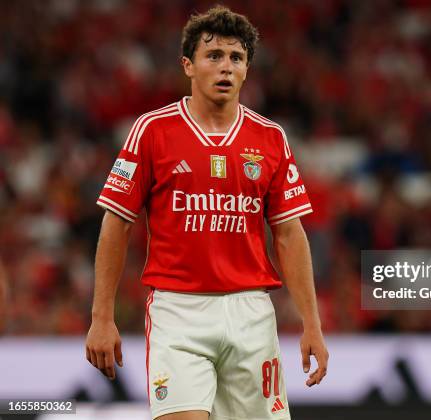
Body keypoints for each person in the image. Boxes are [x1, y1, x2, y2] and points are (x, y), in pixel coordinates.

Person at [85, 6, 328, 420]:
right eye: (213, 56)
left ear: (247, 69)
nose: (226, 67)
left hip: (251, 311)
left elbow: (289, 234)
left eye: (236, 58)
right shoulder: (152, 131)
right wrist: (101, 317)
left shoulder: (270, 137)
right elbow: (116, 223)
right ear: (189, 65)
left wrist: (312, 324)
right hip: (178, 313)